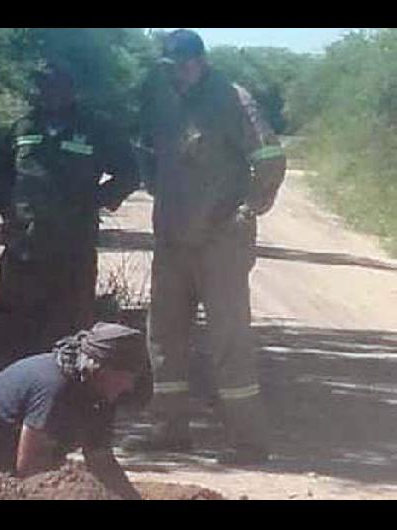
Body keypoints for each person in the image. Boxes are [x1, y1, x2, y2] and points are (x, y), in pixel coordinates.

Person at [137, 29, 286, 464]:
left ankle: (248, 441)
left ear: (201, 60)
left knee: (228, 339)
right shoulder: (161, 98)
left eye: (184, 63)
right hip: (172, 240)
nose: (177, 72)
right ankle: (168, 430)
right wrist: (152, 181)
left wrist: (249, 208)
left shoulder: (232, 98)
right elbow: (145, 147)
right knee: (163, 335)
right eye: (170, 65)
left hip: (220, 243)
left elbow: (270, 159)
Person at [0, 65, 138, 358]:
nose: (49, 92)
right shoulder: (22, 128)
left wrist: (95, 200)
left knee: (69, 327)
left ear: (71, 90)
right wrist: (9, 215)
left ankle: (69, 391)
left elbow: (129, 173)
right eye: (44, 85)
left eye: (57, 85)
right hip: (24, 247)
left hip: (73, 248)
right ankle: (16, 387)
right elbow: (1, 177)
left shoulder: (96, 129)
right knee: (16, 323)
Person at [0, 322, 153, 499]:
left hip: (7, 470)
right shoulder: (54, 388)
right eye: (127, 377)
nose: (129, 386)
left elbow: (101, 460)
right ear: (101, 369)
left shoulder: (100, 393)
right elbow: (31, 470)